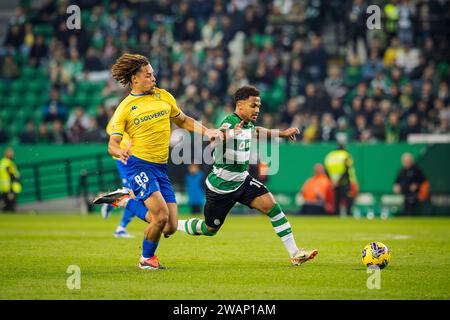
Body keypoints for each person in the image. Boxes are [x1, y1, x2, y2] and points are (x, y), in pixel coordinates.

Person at [92, 53, 222, 270]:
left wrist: (207, 131)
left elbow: (183, 120)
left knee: (169, 227)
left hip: (161, 167)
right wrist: (120, 151)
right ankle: (147, 260)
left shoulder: (164, 96)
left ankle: (124, 200)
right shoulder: (125, 108)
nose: (154, 78)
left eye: (153, 74)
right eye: (148, 75)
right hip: (138, 166)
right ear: (135, 79)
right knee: (159, 216)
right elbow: (112, 144)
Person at [177, 85, 318, 266]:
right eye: (253, 105)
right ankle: (175, 225)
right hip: (221, 186)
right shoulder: (229, 122)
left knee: (273, 208)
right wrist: (229, 134)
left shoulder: (248, 124)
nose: (257, 110)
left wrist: (282, 133)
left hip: (242, 181)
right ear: (240, 105)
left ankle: (295, 253)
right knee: (209, 228)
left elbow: (257, 131)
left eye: (258, 106)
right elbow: (214, 139)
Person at [324, 144, 358, 216]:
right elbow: (347, 169)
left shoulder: (330, 156)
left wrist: (332, 181)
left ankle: (336, 217)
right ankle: (348, 215)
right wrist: (339, 181)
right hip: (345, 182)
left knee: (336, 201)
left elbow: (326, 170)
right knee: (348, 200)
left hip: (334, 183)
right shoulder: (346, 155)